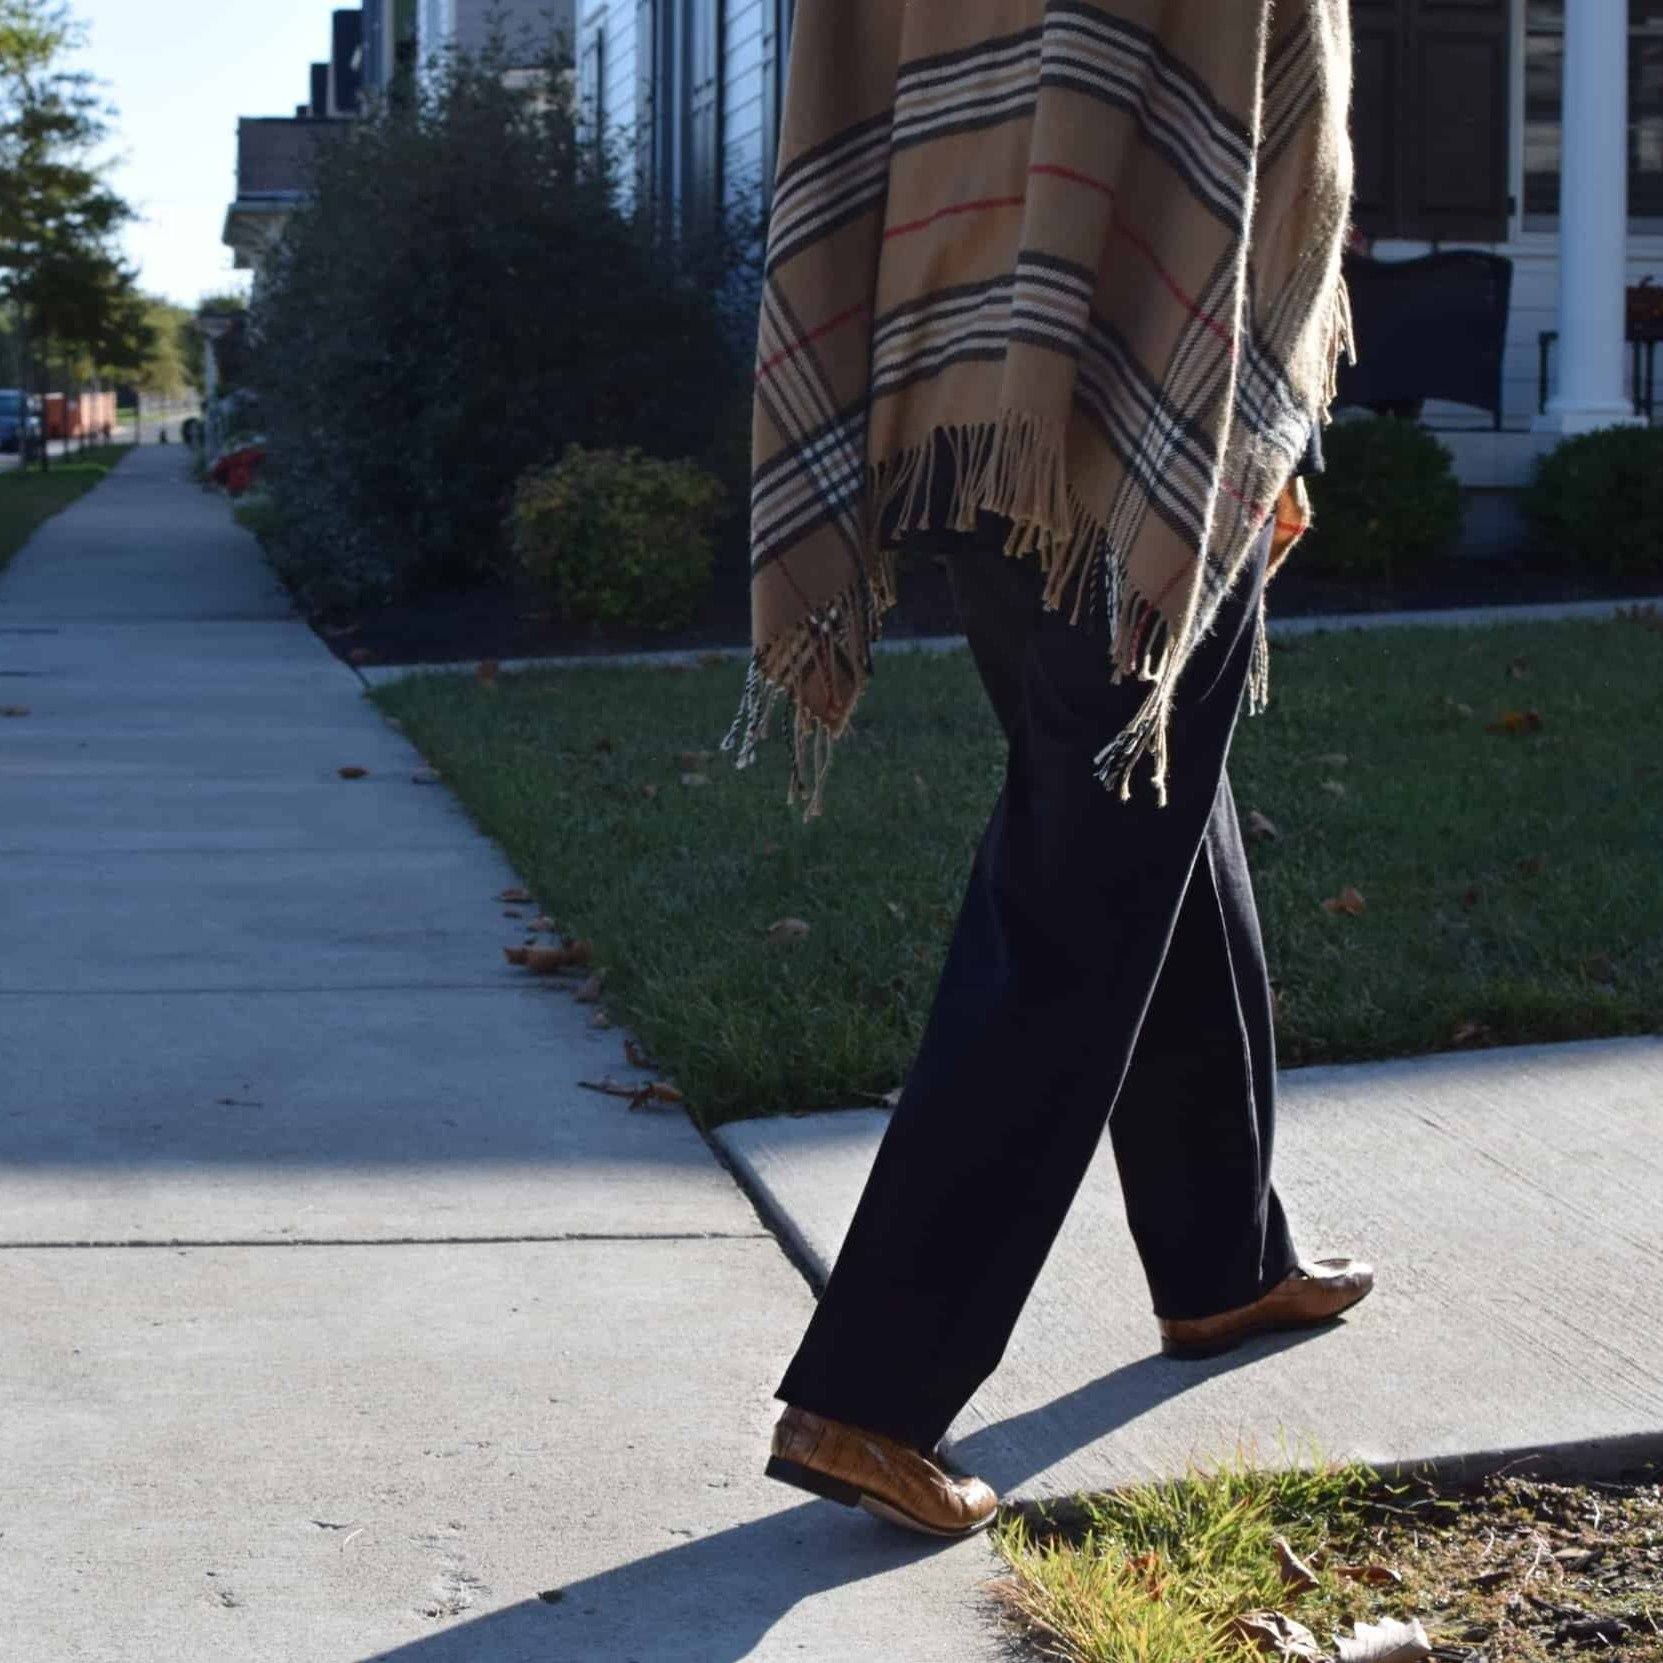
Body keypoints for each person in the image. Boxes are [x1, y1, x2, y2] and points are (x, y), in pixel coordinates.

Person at [731, 0, 1371, 1539]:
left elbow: (849, 108)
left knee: (1144, 808)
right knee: (1079, 878)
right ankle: (874, 1389)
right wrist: (1244, 427)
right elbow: (1250, 114)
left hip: (953, 381)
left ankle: (1225, 1262)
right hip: (1126, 404)